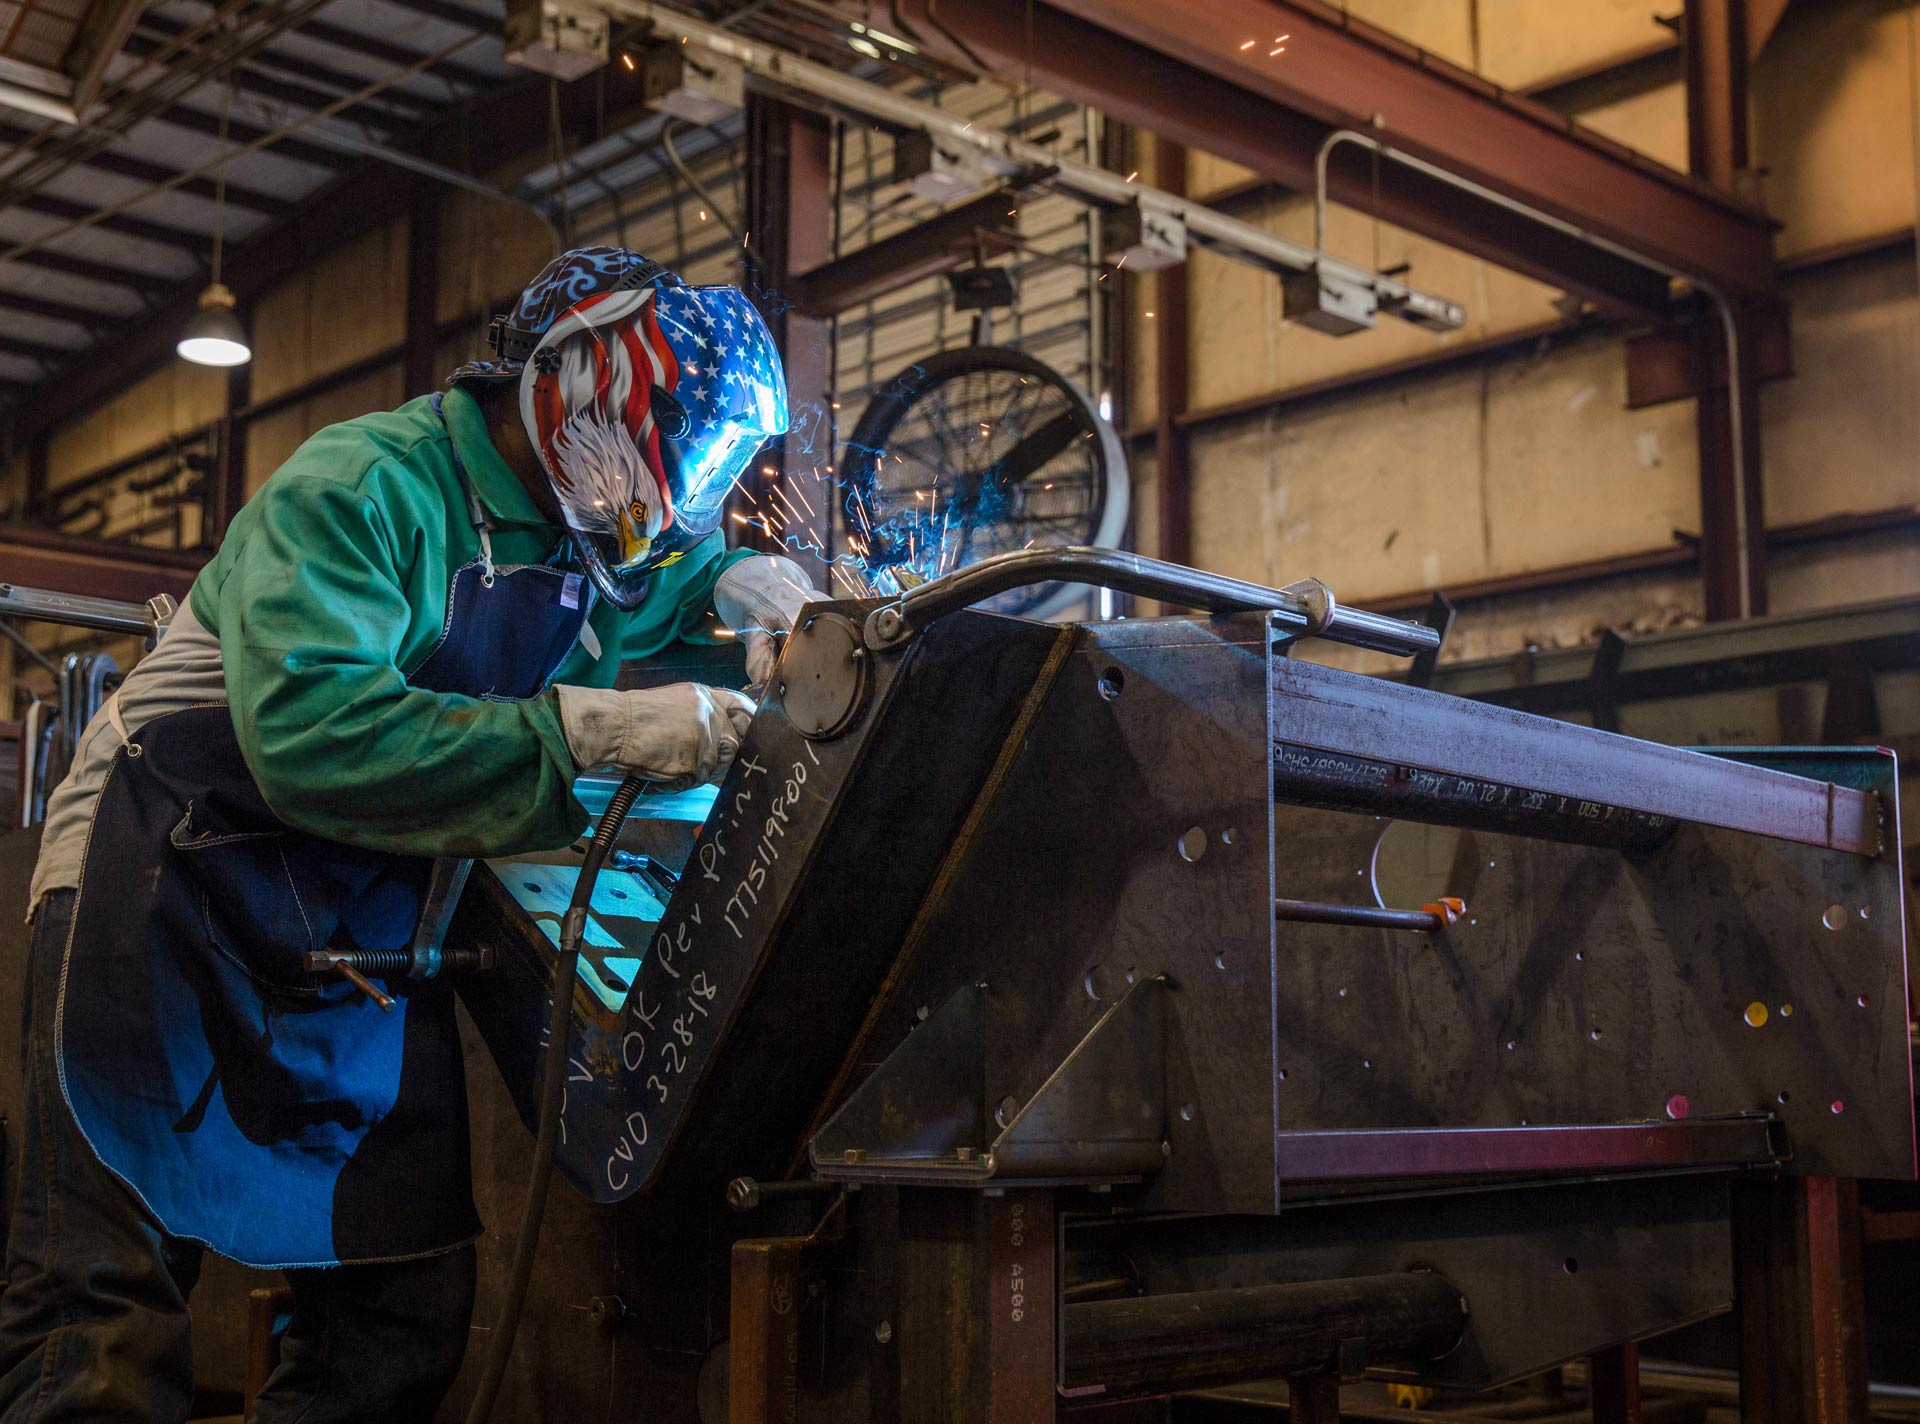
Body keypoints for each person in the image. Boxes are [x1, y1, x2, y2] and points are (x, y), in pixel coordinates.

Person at [0, 247, 818, 1422]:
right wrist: (584, 733)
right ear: (580, 390)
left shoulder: (585, 523)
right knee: (102, 1327)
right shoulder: (364, 484)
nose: (671, 506)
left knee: (399, 1316)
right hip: (157, 884)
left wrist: (746, 582)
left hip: (349, 927)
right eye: (671, 467)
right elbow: (310, 734)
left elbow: (666, 582)